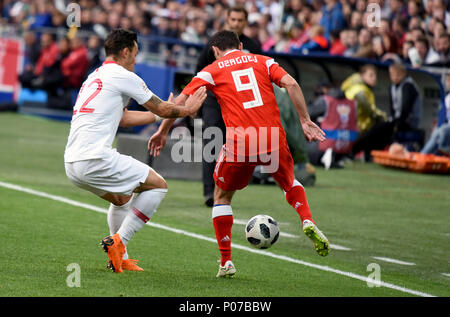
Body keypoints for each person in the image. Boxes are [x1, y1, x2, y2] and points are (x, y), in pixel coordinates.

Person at [149, 30, 330, 278]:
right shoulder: (263, 61)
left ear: (215, 50)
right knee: (289, 182)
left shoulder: (212, 69)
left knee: (221, 196)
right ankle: (307, 219)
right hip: (273, 137)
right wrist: (305, 120)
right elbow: (291, 83)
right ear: (241, 45)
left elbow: (182, 99)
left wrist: (162, 131)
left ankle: (226, 262)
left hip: (241, 142)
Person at [64, 29, 206, 273]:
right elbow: (162, 108)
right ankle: (120, 242)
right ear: (126, 51)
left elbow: (123, 116)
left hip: (72, 163)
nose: (136, 61)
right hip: (95, 157)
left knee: (122, 199)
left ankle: (119, 257)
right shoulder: (123, 75)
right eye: (135, 54)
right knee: (158, 185)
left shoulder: (94, 77)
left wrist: (158, 113)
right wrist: (187, 108)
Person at [195, 6, 262, 207]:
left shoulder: (254, 47)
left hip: (239, 105)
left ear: (245, 22)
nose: (236, 23)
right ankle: (209, 192)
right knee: (212, 143)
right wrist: (197, 103)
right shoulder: (214, 44)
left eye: (240, 20)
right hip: (215, 101)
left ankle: (226, 190)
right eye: (232, 19)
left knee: (237, 148)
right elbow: (200, 72)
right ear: (227, 19)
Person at [351, 62, 423, 159]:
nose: (395, 77)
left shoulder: (408, 86)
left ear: (404, 73)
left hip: (408, 122)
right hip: (396, 121)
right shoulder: (392, 87)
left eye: (398, 74)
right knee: (378, 128)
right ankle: (365, 152)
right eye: (392, 74)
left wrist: (396, 124)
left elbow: (406, 109)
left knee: (379, 129)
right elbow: (393, 108)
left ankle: (354, 151)